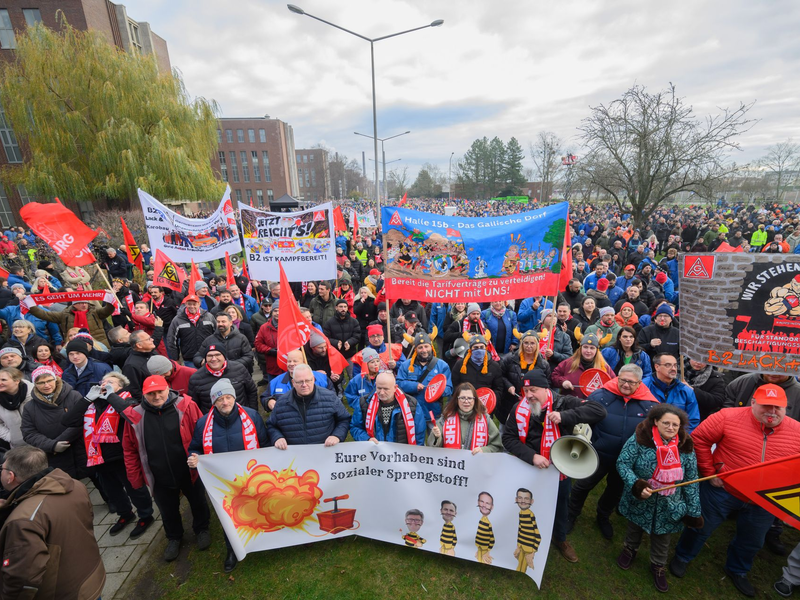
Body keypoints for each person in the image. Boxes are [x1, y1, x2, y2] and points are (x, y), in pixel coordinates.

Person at [670, 384, 800, 597]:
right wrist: (710, 471)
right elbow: (699, 439)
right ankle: (683, 556)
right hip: (723, 490)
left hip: (763, 500)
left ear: (786, 408)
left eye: (778, 407)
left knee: (753, 540)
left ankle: (738, 570)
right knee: (701, 526)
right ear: (753, 403)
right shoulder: (727, 417)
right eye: (766, 406)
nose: (772, 412)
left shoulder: (797, 431)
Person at [502, 369, 607, 563]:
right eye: (526, 392)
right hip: (529, 466)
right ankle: (519, 535)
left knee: (560, 504)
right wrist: (532, 456)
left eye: (533, 390)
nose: (529, 396)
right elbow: (508, 438)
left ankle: (560, 539)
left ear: (545, 388)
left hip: (560, 469)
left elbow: (599, 411)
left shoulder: (563, 402)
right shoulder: (519, 408)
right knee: (525, 502)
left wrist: (565, 416)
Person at [108, 374, 211, 562]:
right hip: (158, 474)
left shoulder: (186, 406)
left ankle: (202, 529)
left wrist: (204, 461)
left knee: (198, 502)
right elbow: (129, 449)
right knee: (167, 510)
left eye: (160, 392)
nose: (156, 397)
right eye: (151, 393)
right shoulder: (136, 415)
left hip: (189, 471)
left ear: (168, 389)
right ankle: (174, 537)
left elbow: (202, 434)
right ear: (144, 394)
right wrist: (135, 477)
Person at [616, 405, 702, 593]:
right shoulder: (641, 438)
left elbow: (691, 479)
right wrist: (637, 485)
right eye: (666, 423)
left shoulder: (686, 446)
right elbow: (623, 463)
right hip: (641, 499)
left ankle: (658, 565)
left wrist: (694, 511)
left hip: (669, 504)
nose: (671, 428)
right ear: (656, 421)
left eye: (675, 425)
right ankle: (630, 549)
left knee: (663, 537)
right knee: (634, 527)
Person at [0, 446, 106, 599]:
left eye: (2, 469)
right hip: (92, 578)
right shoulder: (75, 485)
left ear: (10, 476)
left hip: (67, 594)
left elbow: (23, 579)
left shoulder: (24, 520)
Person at [568, 364, 660, 540]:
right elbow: (585, 422)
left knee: (614, 492)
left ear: (639, 383)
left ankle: (603, 516)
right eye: (622, 380)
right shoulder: (600, 396)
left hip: (625, 462)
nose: (626, 385)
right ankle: (571, 514)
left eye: (631, 382)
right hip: (598, 455)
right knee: (582, 485)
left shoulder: (650, 406)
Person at [187, 378, 269, 572]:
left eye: (228, 397)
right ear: (213, 403)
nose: (225, 402)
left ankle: (261, 543)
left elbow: (265, 444)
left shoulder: (252, 416)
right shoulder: (202, 424)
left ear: (234, 397)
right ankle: (232, 549)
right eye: (220, 399)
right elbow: (195, 449)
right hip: (222, 482)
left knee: (258, 511)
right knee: (229, 517)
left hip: (251, 477)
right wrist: (194, 459)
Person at [62, 372, 155, 540]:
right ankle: (125, 513)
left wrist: (111, 396)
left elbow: (131, 416)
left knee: (135, 488)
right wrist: (87, 399)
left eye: (110, 382)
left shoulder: (127, 399)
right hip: (99, 457)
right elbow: (68, 421)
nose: (104, 383)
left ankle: (146, 515)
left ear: (120, 386)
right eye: (103, 381)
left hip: (121, 455)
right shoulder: (92, 404)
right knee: (112, 491)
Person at [21, 366, 87, 478]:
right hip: (55, 457)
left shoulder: (74, 396)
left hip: (82, 450)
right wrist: (52, 445)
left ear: (56, 379)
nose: (46, 385)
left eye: (49, 380)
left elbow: (82, 421)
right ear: (35, 385)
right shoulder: (30, 407)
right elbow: (29, 433)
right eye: (41, 382)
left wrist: (60, 440)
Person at [267, 364, 350, 448]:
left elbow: (344, 419)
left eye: (307, 380)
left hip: (325, 452)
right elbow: (271, 425)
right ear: (293, 383)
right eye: (299, 382)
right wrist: (277, 438)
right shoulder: (281, 402)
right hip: (293, 456)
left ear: (313, 379)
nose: (304, 385)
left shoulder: (330, 398)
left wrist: (337, 435)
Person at [350, 372, 426, 444]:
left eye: (386, 389)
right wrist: (367, 439)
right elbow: (355, 427)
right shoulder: (364, 403)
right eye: (379, 388)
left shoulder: (411, 404)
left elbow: (419, 433)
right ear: (375, 385)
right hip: (375, 453)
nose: (382, 392)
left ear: (395, 387)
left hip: (401, 454)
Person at [428, 382, 502, 452]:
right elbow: (432, 448)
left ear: (475, 400)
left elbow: (497, 446)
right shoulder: (445, 418)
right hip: (451, 463)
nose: (466, 401)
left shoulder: (485, 420)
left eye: (470, 398)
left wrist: (484, 450)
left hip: (477, 463)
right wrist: (437, 437)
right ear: (457, 400)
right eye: (462, 398)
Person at [396, 330, 453, 420]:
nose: (424, 350)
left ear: (431, 346)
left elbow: (449, 389)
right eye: (420, 347)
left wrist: (435, 390)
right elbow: (398, 384)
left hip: (434, 412)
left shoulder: (442, 365)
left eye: (426, 346)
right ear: (415, 349)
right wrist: (414, 386)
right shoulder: (406, 365)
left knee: (435, 434)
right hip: (412, 411)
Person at [187, 345, 258, 414]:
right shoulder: (196, 378)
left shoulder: (239, 369)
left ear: (224, 356)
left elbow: (251, 392)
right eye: (210, 356)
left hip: (241, 415)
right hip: (212, 421)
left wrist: (252, 412)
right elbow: (194, 405)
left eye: (217, 354)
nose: (214, 359)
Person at [644, 354, 701, 432]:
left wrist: (681, 438)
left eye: (675, 365)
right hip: (648, 437)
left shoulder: (686, 391)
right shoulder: (643, 386)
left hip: (676, 440)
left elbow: (692, 420)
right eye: (668, 365)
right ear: (657, 367)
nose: (673, 368)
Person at [28, 298, 115, 347]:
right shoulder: (64, 315)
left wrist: (109, 299)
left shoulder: (96, 312)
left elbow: (109, 309)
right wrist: (30, 305)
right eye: (80, 303)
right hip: (75, 347)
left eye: (86, 302)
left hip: (99, 345)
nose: (84, 305)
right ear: (74, 305)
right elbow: (44, 314)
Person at [551, 334, 614, 399]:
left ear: (597, 350)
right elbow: (554, 376)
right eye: (585, 347)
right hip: (571, 404)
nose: (588, 351)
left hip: (593, 405)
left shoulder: (604, 367)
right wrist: (563, 382)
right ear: (580, 348)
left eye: (592, 348)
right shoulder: (568, 363)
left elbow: (613, 383)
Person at [451, 335, 505, 406]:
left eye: (481, 347)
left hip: (485, 404)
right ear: (470, 349)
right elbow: (454, 384)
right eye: (475, 347)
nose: (479, 350)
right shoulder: (460, 364)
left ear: (486, 348)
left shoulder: (494, 366)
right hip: (465, 403)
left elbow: (498, 388)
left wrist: (491, 400)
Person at [166, 295, 217, 366]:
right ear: (186, 304)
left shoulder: (209, 317)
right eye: (189, 304)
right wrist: (175, 358)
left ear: (199, 304)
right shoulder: (178, 320)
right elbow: (171, 340)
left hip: (208, 356)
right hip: (189, 359)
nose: (192, 306)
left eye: (194, 304)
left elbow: (217, 335)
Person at [0, 367, 33, 451]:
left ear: (17, 380)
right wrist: (11, 437)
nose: (0, 383)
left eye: (3, 380)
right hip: (18, 447)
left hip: (41, 442)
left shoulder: (34, 394)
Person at [123, 330, 159, 401]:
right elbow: (134, 391)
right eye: (148, 339)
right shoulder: (131, 366)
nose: (152, 339)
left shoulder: (153, 353)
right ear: (139, 345)